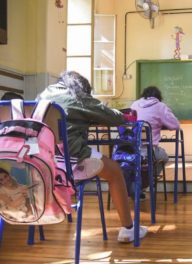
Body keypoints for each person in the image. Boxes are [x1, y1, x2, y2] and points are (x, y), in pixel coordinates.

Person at [37, 71, 147, 243]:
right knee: (115, 172)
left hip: (44, 161)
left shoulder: (43, 96)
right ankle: (128, 229)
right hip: (72, 160)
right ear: (82, 87)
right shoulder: (76, 95)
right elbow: (114, 117)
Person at [130, 86, 180, 173]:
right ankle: (151, 180)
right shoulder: (160, 106)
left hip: (131, 149)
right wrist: (161, 123)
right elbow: (175, 125)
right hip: (149, 151)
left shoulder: (134, 105)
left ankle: (143, 178)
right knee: (164, 157)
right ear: (158, 97)